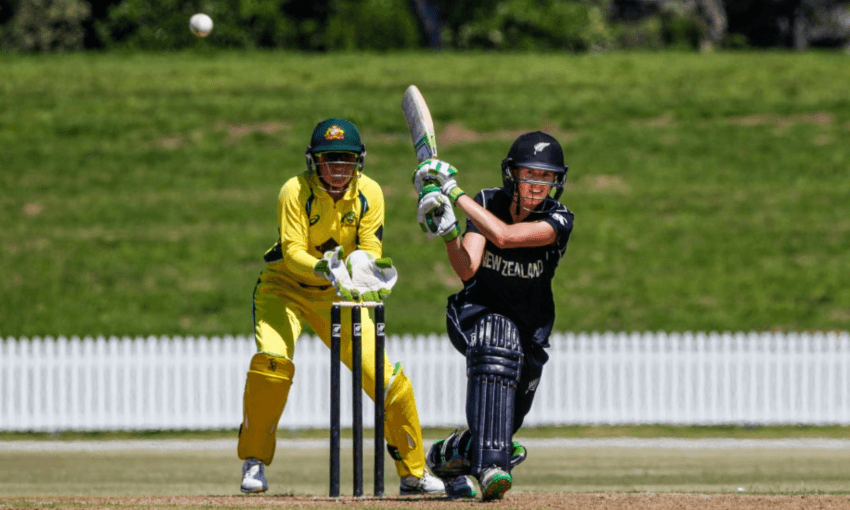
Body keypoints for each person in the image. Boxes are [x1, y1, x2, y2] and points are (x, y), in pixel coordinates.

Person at [238, 118, 444, 496]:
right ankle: (254, 460)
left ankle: (413, 472)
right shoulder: (294, 191)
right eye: (329, 160)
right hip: (285, 287)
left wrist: (366, 270)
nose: (337, 169)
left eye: (346, 160)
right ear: (312, 161)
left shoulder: (370, 193)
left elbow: (371, 246)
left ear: (358, 162)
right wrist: (323, 267)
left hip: (341, 293)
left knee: (388, 380)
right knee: (272, 364)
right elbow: (292, 251)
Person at [413, 131, 574, 501]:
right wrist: (450, 231)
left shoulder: (560, 219)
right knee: (496, 336)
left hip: (530, 330)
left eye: (546, 177)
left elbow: (504, 236)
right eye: (529, 174)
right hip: (476, 313)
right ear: (511, 174)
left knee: (502, 427)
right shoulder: (488, 201)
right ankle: (488, 469)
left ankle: (454, 456)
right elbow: (467, 269)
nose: (537, 185)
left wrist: (453, 193)